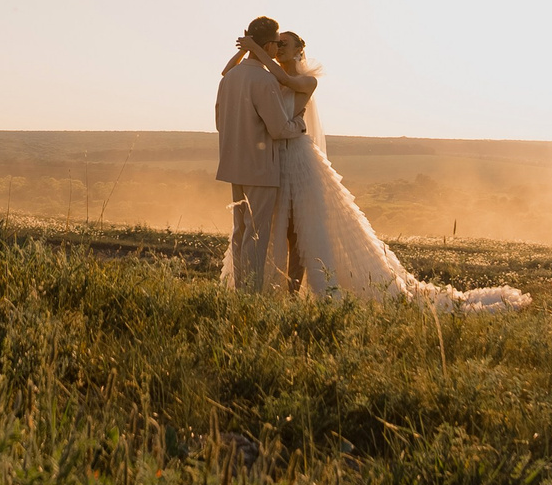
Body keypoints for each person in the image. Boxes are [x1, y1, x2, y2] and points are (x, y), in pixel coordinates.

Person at [224, 22, 530, 315]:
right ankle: (277, 291)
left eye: (283, 44)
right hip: (278, 160)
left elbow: (287, 80)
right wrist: (245, 49)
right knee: (281, 228)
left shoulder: (305, 80)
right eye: (275, 44)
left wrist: (255, 47)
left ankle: (293, 293)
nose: (277, 48)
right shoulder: (270, 77)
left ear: (297, 50)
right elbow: (237, 73)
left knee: (301, 232)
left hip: (300, 162)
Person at [214, 16, 304, 294]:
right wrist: (298, 125)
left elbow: (220, 122)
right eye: (276, 43)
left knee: (240, 234)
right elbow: (278, 129)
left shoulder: (230, 78)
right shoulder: (264, 80)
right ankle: (250, 295)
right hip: (261, 169)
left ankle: (242, 289)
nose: (278, 48)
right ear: (268, 45)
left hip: (233, 166)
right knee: (256, 235)